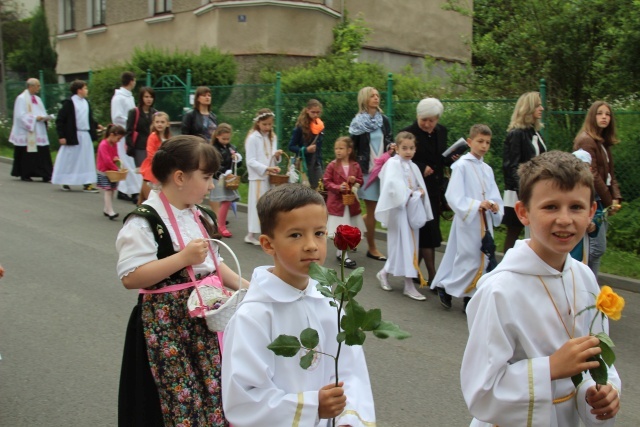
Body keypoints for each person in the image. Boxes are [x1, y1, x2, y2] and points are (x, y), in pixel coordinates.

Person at [461, 151, 621, 427]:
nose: (564, 219)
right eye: (550, 207)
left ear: (591, 211)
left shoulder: (583, 277)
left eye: (576, 207)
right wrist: (550, 368)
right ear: (523, 212)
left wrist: (601, 391)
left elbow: (595, 359)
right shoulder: (499, 291)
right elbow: (482, 391)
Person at [116, 135, 249, 426]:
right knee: (178, 396)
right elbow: (131, 277)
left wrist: (248, 287)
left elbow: (215, 266)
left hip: (205, 319)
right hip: (165, 325)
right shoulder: (145, 221)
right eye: (207, 177)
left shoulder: (200, 215)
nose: (212, 185)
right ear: (179, 177)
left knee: (214, 386)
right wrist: (182, 258)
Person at [221, 184, 376, 427]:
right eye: (296, 235)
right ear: (268, 244)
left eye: (319, 233)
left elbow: (351, 370)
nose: (311, 245)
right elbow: (243, 399)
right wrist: (313, 407)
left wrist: (347, 417)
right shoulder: (254, 316)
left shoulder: (330, 303)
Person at [432, 125, 503, 311]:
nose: (484, 146)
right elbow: (454, 195)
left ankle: (469, 298)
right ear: (470, 142)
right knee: (469, 258)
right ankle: (447, 287)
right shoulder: (461, 166)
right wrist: (475, 205)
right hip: (468, 220)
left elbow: (493, 193)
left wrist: (495, 206)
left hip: (484, 221)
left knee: (482, 258)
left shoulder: (487, 169)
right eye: (480, 141)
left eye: (487, 142)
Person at [401, 97, 458, 285]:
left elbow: (441, 158)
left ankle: (414, 270)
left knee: (430, 229)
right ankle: (433, 275)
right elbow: (401, 158)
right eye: (423, 119)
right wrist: (420, 166)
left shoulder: (442, 132)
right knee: (427, 231)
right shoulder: (409, 133)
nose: (427, 124)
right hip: (415, 189)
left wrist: (451, 159)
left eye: (431, 120)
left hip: (434, 189)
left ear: (437, 118)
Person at [375, 132, 433, 301]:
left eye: (411, 148)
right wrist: (411, 194)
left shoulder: (413, 166)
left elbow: (417, 185)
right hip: (399, 211)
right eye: (404, 148)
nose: (408, 151)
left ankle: (384, 272)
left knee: (409, 246)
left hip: (411, 211)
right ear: (397, 148)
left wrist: (419, 193)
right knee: (403, 246)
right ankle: (408, 284)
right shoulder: (393, 164)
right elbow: (392, 187)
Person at [573, 101, 622, 278]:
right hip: (592, 199)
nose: (604, 117)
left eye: (607, 114)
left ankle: (591, 291)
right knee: (595, 248)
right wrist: (609, 201)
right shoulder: (586, 140)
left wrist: (615, 197)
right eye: (599, 113)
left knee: (596, 250)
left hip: (602, 199)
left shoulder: (603, 142)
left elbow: (610, 175)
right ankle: (576, 276)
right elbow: (592, 174)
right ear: (592, 117)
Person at [349, 86, 394, 261]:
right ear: (365, 99)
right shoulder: (357, 123)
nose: (376, 98)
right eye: (372, 96)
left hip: (383, 171)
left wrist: (392, 148)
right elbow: (352, 148)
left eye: (377, 95)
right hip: (366, 171)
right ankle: (372, 248)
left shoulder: (384, 120)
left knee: (375, 211)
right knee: (373, 209)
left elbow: (389, 140)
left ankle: (351, 232)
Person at [502, 91, 547, 252]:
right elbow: (511, 166)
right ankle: (505, 270)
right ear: (529, 108)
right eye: (538, 105)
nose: (541, 108)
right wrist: (523, 190)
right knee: (514, 232)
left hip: (535, 189)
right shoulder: (517, 134)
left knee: (534, 231)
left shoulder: (534, 132)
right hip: (519, 191)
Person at [322, 136, 365, 268]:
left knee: (348, 228)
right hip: (337, 204)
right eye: (336, 148)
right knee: (341, 229)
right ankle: (343, 256)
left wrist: (354, 181)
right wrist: (337, 187)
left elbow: (361, 181)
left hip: (350, 204)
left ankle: (341, 253)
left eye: (341, 148)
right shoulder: (332, 165)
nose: (338, 151)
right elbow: (326, 181)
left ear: (349, 150)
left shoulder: (355, 166)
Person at [52, 80, 101, 192]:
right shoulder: (69, 103)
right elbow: (60, 120)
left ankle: (87, 183)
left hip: (85, 135)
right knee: (70, 159)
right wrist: (61, 136)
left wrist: (96, 125)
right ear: (79, 90)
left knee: (86, 160)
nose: (87, 90)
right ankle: (64, 180)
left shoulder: (86, 102)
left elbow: (88, 118)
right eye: (85, 88)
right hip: (73, 135)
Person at [244, 108, 282, 246]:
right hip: (258, 177)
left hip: (268, 176)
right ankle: (251, 234)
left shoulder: (272, 137)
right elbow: (250, 160)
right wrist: (266, 168)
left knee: (268, 205)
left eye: (270, 124)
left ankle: (265, 232)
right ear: (258, 123)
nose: (267, 127)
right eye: (264, 124)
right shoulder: (253, 137)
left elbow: (270, 155)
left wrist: (276, 157)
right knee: (257, 205)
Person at [9, 78, 54, 182]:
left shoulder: (37, 99)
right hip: (28, 131)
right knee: (28, 154)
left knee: (42, 152)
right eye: (37, 86)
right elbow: (20, 116)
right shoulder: (21, 98)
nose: (39, 88)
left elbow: (41, 111)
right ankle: (26, 173)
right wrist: (35, 118)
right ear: (30, 86)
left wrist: (44, 117)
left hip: (39, 130)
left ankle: (45, 174)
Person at [209, 123, 242, 238]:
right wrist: (224, 172)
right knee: (225, 201)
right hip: (219, 178)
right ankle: (220, 225)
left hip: (228, 178)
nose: (226, 141)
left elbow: (239, 164)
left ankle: (219, 224)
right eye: (223, 138)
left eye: (228, 139)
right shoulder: (214, 148)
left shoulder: (231, 147)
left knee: (227, 201)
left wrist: (236, 158)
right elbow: (215, 164)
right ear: (217, 136)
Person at [569, 149, 600, 264]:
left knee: (578, 262)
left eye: (583, 168)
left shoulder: (590, 191)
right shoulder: (562, 187)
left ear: (590, 170)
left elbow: (597, 211)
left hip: (580, 237)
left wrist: (594, 223)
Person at [288, 99, 325, 189]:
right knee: (305, 189)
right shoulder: (300, 127)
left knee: (320, 188)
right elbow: (291, 146)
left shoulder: (320, 126)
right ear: (307, 110)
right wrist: (305, 150)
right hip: (304, 164)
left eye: (318, 112)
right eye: (313, 112)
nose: (316, 115)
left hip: (316, 162)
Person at [138, 112, 171, 205]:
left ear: (167, 124)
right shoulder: (153, 136)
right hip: (152, 169)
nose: (159, 124)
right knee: (149, 199)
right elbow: (150, 153)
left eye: (162, 122)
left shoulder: (168, 137)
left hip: (163, 169)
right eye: (157, 122)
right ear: (153, 123)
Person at [96, 124, 126, 220]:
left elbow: (114, 156)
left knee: (112, 189)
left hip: (111, 170)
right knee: (108, 190)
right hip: (105, 170)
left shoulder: (114, 144)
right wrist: (116, 168)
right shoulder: (103, 145)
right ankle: (110, 211)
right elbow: (107, 160)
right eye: (118, 138)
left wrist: (116, 159)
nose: (119, 141)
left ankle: (107, 208)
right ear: (112, 135)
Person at [126, 87, 157, 170]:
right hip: (140, 147)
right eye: (146, 97)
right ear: (141, 98)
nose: (149, 99)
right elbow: (129, 131)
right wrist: (131, 146)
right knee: (142, 172)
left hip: (153, 146)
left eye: (151, 97)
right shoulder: (134, 112)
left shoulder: (155, 113)